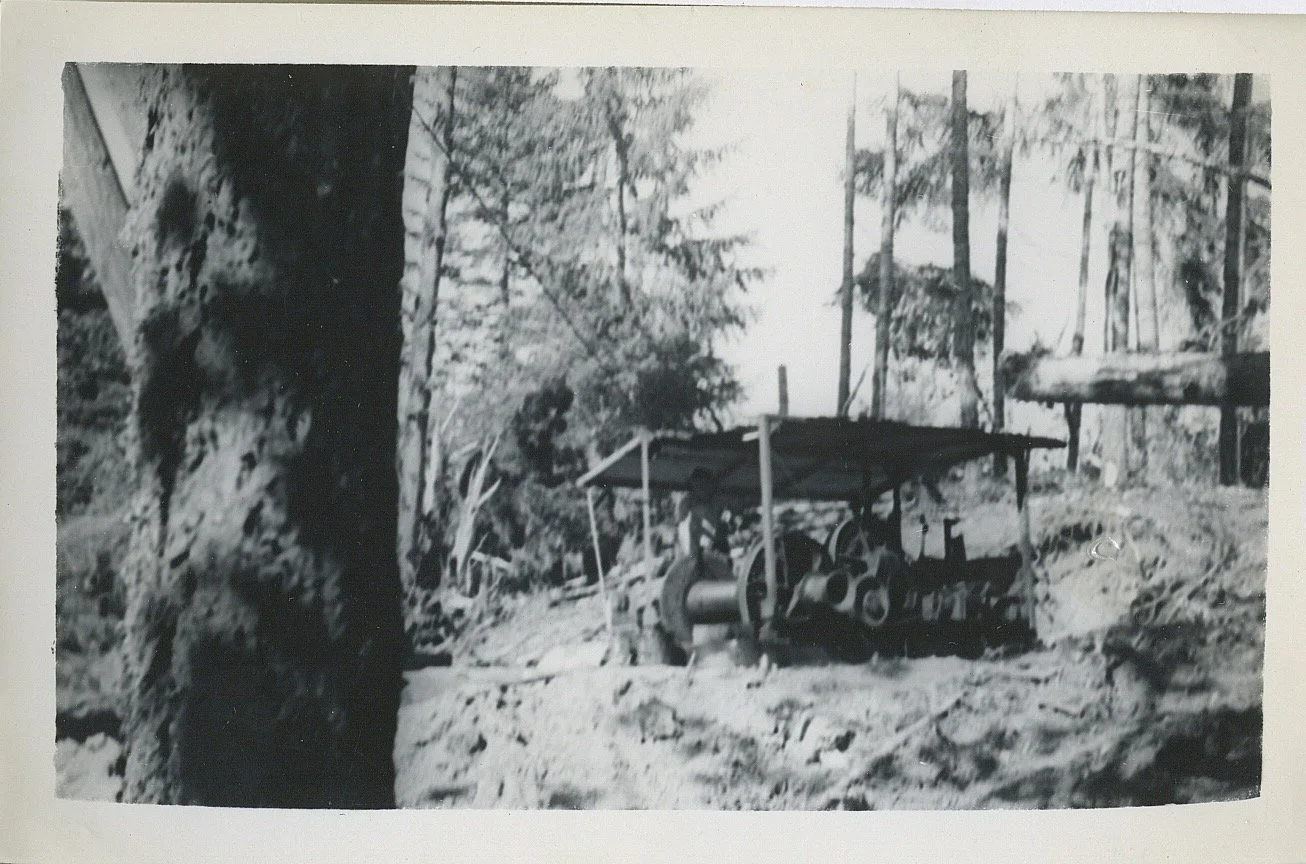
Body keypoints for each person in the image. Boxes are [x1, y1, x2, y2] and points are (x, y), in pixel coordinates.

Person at [676, 467, 731, 560]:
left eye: (704, 484)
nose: (701, 488)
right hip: (691, 551)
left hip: (713, 550)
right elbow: (683, 528)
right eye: (697, 484)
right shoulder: (686, 503)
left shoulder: (715, 503)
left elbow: (720, 526)